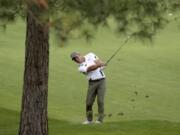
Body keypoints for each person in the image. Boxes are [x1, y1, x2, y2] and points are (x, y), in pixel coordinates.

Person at [70, 52, 106, 124]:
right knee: (89, 103)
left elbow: (98, 61)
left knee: (100, 101)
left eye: (76, 57)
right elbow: (90, 68)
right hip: (92, 83)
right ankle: (89, 120)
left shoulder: (91, 55)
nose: (76, 60)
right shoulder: (80, 68)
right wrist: (99, 65)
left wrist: (102, 64)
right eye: (74, 59)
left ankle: (100, 120)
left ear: (80, 54)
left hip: (102, 81)